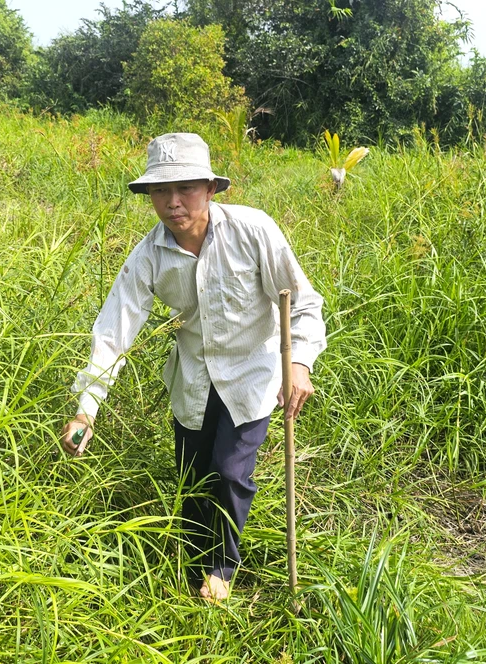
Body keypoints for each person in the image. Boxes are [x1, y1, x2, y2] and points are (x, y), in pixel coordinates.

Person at [60, 133, 327, 602]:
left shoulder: (253, 230)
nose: (173, 202)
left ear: (210, 189)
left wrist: (299, 362)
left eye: (185, 188)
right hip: (193, 378)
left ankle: (222, 568)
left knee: (228, 472)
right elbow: (113, 330)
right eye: (161, 191)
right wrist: (87, 409)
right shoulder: (149, 255)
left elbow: (301, 303)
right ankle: (190, 560)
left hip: (254, 374)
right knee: (192, 476)